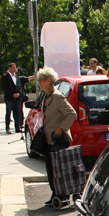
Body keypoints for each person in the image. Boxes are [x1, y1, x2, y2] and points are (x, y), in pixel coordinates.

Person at [37, 67, 77, 206]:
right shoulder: (46, 96)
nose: (39, 83)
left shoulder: (57, 97)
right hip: (49, 139)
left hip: (58, 139)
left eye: (41, 80)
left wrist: (61, 128)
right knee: (51, 169)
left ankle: (62, 195)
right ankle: (56, 194)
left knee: (59, 169)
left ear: (49, 80)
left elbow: (71, 114)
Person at [1, 63, 28, 134]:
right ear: (9, 68)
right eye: (13, 67)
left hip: (17, 98)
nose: (14, 68)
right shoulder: (5, 76)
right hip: (9, 98)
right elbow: (5, 87)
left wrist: (19, 93)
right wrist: (12, 94)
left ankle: (17, 127)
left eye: (15, 67)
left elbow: (19, 85)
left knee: (17, 113)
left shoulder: (16, 76)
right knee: (8, 112)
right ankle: (7, 127)